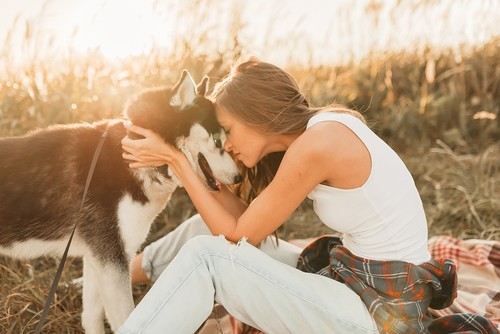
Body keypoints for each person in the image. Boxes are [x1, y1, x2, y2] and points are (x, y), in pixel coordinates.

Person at [117, 58, 440, 334]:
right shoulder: (325, 126)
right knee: (204, 226)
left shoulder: (318, 144)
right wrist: (192, 161)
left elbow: (236, 235)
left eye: (228, 130)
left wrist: (177, 160)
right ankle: (112, 278)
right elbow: (241, 224)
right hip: (355, 281)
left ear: (256, 114)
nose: (226, 144)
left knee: (208, 257)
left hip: (380, 311)